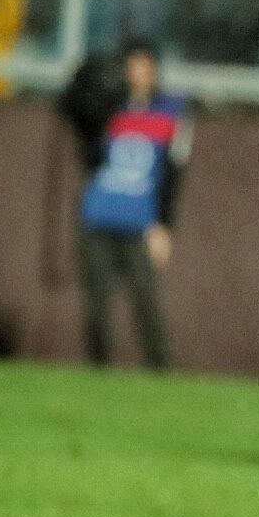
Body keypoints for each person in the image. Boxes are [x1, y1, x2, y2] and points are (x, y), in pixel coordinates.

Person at [71, 41, 190, 369]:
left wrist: (163, 225)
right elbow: (89, 154)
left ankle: (160, 371)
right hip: (99, 214)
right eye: (132, 66)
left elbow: (172, 175)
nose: (138, 74)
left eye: (145, 66)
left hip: (139, 221)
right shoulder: (108, 109)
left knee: (145, 301)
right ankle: (98, 370)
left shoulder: (171, 112)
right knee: (97, 303)